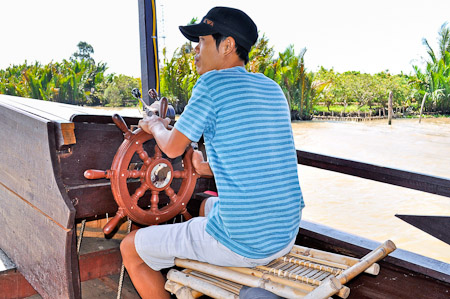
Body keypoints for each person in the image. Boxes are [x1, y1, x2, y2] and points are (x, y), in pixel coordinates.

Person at [120, 6, 304, 299]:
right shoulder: (272, 88)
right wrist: (205, 169)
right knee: (205, 207)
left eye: (202, 42)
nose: (195, 51)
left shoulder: (211, 84)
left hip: (245, 243)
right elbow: (259, 157)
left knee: (130, 248)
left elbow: (171, 147)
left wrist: (155, 124)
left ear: (227, 46)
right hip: (285, 233)